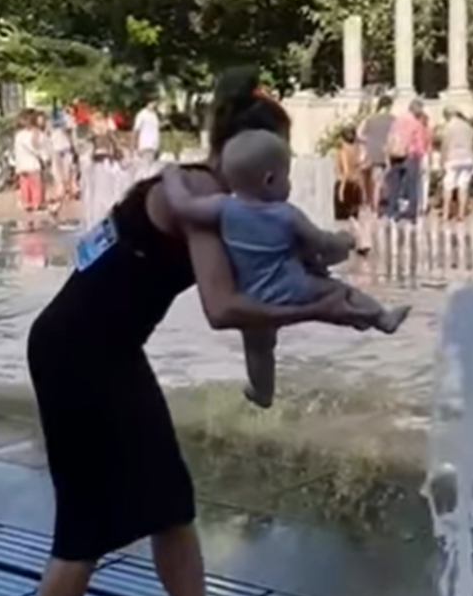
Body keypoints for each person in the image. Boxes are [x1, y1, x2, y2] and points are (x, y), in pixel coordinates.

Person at [0, 68, 384, 596]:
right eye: (277, 163)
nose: (279, 181)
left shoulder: (213, 192)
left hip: (109, 352)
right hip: (75, 357)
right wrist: (322, 310)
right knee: (83, 531)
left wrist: (325, 299)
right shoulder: (201, 199)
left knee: (171, 506)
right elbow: (222, 307)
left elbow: (265, 285)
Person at [162, 129, 410, 409]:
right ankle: (381, 318)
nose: (289, 183)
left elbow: (182, 206)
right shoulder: (286, 215)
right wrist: (346, 240)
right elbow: (323, 245)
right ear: (270, 180)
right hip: (293, 287)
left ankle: (262, 392)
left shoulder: (223, 208)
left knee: (258, 347)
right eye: (287, 176)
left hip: (251, 296)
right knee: (342, 293)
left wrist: (171, 176)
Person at [384, 99, 429, 223]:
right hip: (411, 156)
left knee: (394, 184)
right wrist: (421, 156)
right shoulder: (416, 124)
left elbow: (390, 137)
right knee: (412, 184)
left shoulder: (397, 121)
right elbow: (420, 144)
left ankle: (392, 210)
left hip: (395, 155)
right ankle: (411, 212)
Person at [358, 96, 394, 214]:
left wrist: (369, 141)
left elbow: (359, 134)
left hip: (373, 153)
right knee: (385, 181)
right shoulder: (393, 120)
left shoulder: (370, 119)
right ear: (388, 106)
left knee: (376, 181)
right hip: (387, 153)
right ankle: (382, 206)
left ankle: (374, 206)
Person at [440, 109, 473, 221]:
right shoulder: (467, 126)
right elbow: (472, 143)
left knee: (448, 185)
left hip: (453, 158)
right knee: (463, 186)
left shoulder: (449, 126)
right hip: (467, 158)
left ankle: (446, 213)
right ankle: (461, 213)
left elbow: (445, 144)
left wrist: (442, 159)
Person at [13, 109, 47, 222]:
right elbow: (36, 147)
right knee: (36, 185)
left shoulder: (18, 135)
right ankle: (37, 204)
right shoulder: (34, 134)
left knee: (25, 185)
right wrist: (44, 158)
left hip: (21, 165)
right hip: (33, 164)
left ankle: (26, 202)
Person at [333, 124, 364, 226]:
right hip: (355, 184)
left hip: (344, 184)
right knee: (354, 219)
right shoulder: (357, 149)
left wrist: (341, 189)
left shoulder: (342, 149)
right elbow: (360, 167)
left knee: (342, 221)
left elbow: (345, 171)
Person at [133, 97, 161, 175]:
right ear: (148, 103)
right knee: (145, 167)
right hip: (145, 144)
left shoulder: (154, 115)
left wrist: (158, 146)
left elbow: (156, 130)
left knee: (150, 168)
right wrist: (135, 144)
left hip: (153, 145)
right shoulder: (142, 114)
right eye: (152, 102)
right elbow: (136, 130)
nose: (154, 104)